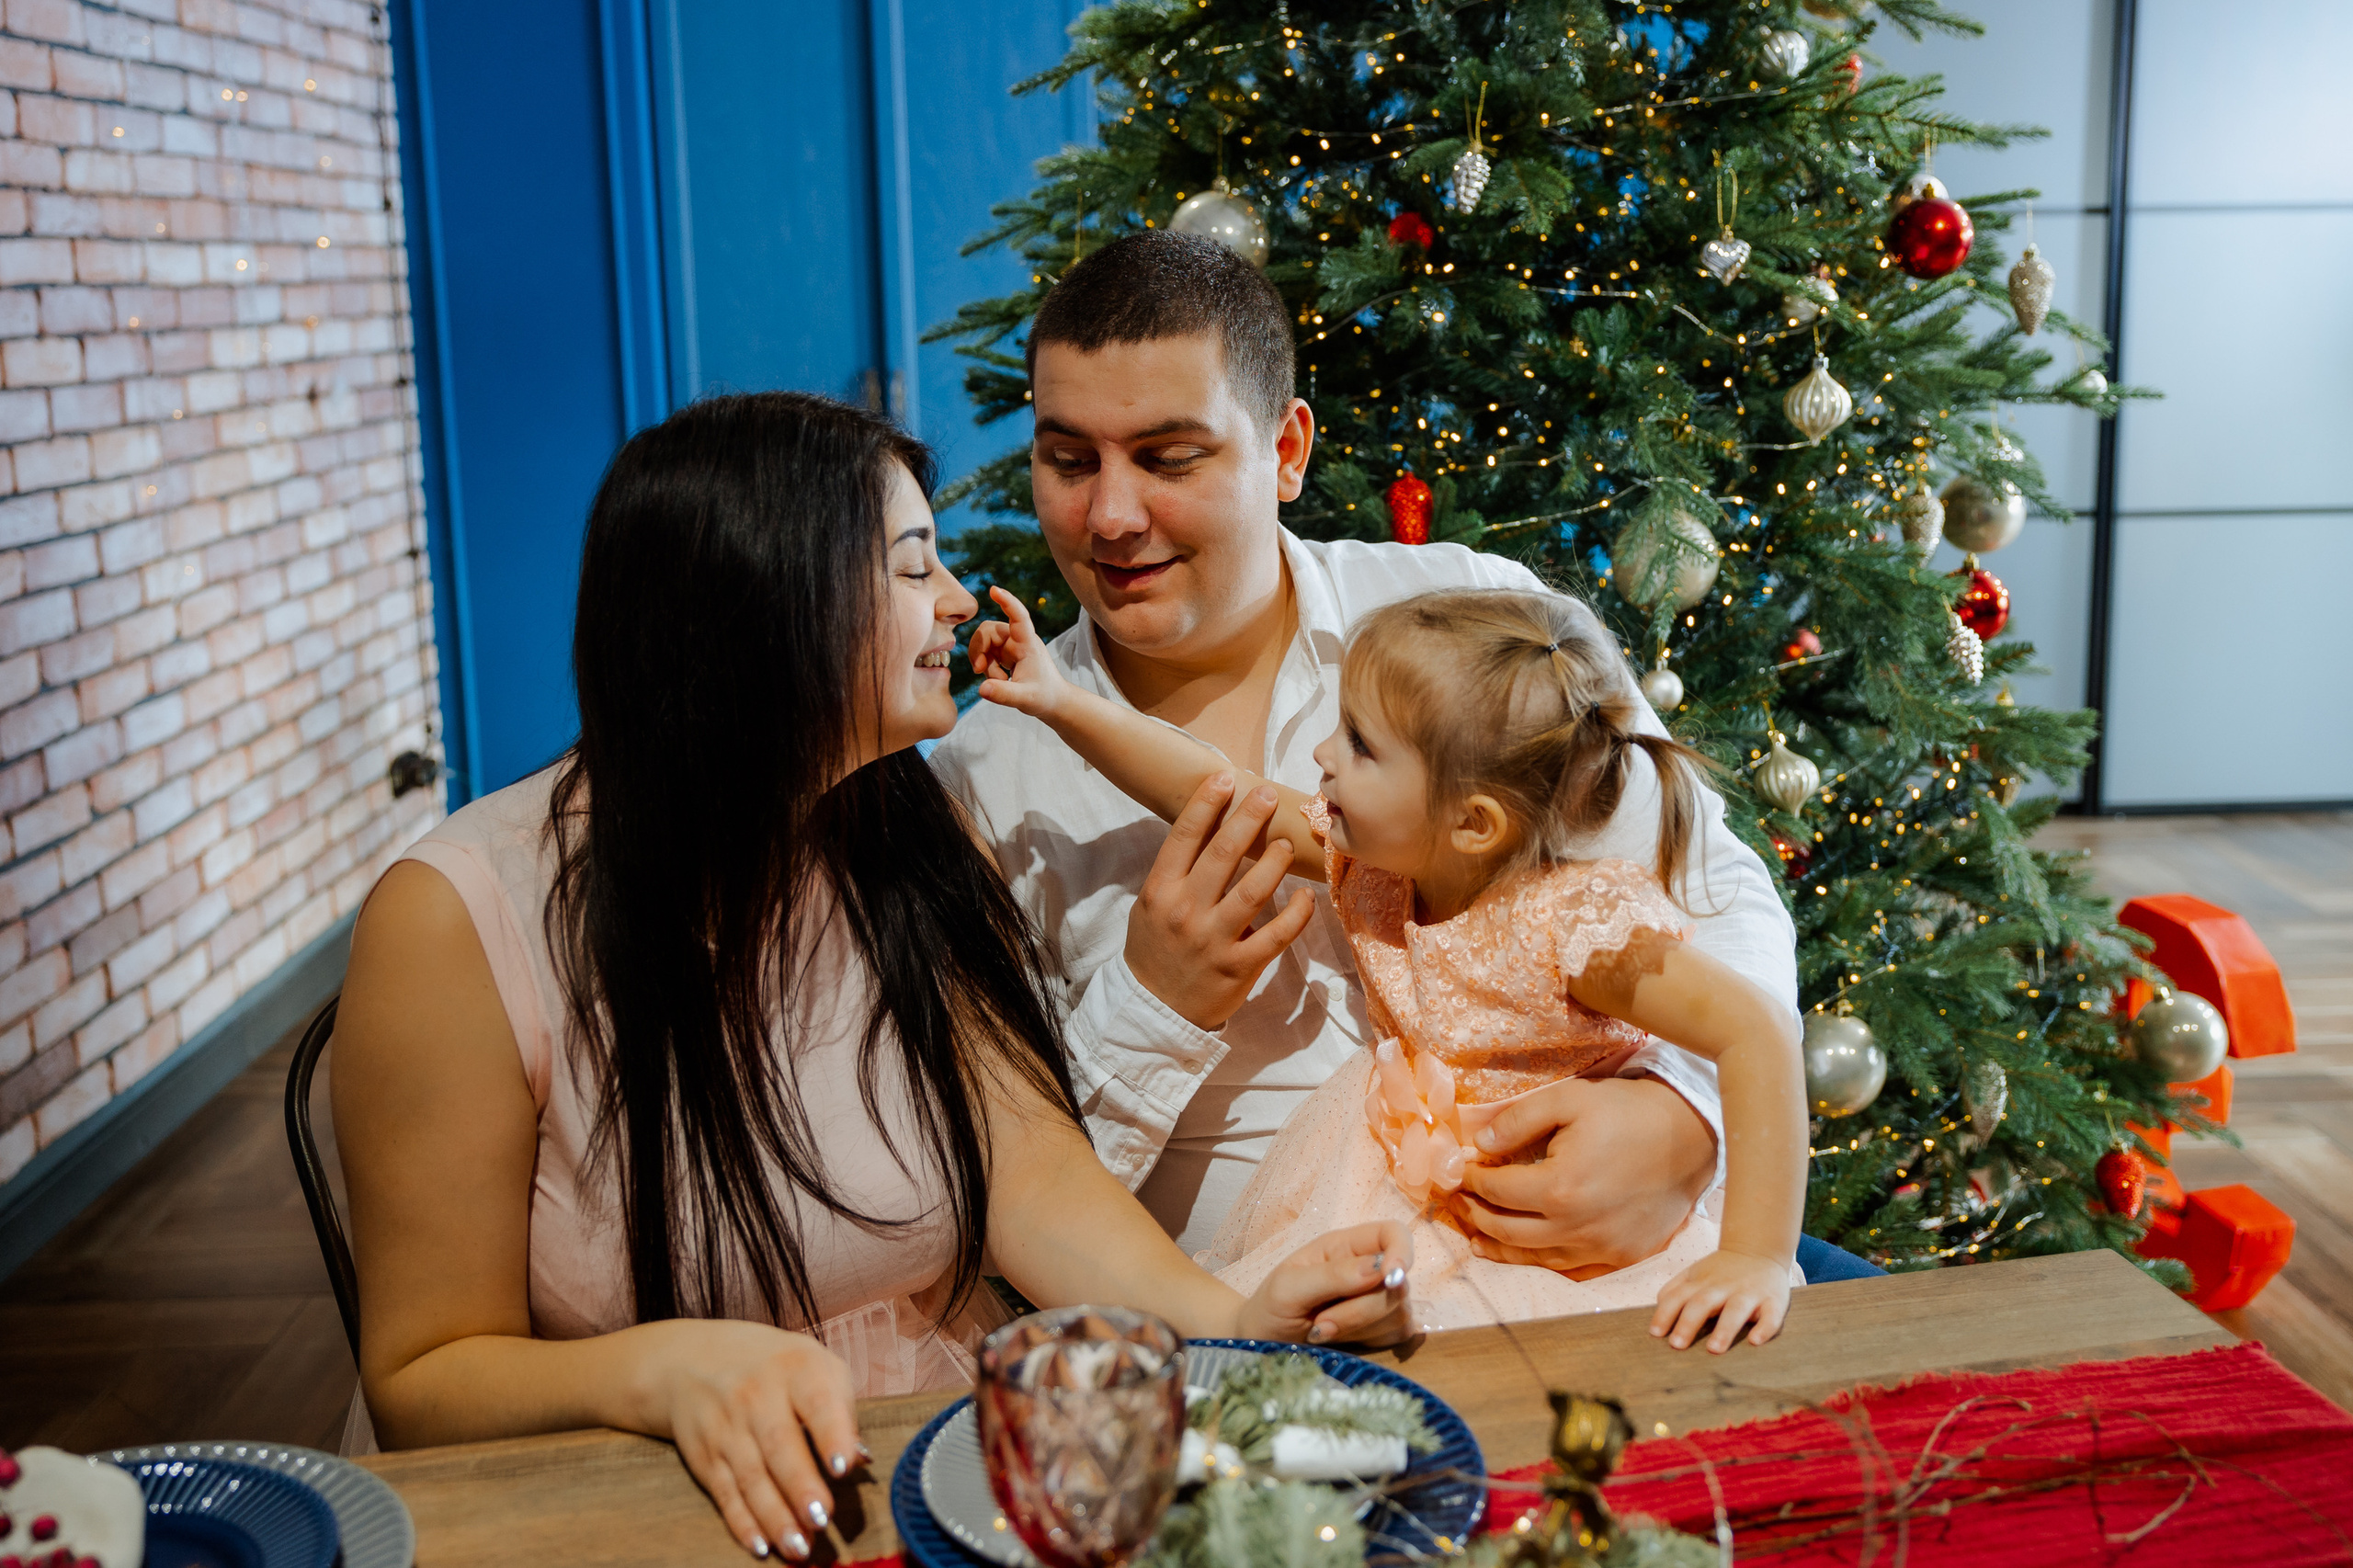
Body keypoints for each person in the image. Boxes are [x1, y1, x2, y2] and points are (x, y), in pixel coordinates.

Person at [331, 392, 1413, 1564]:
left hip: (921, 1464)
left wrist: (1233, 1320)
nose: (957, 599)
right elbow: (420, 1377)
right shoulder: (454, 916)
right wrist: (656, 1369)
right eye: (911, 565)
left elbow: (1030, 1176)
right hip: (628, 1509)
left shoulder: (900, 832)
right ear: (765, 594)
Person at [931, 230, 1809, 1286]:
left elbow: (1710, 893)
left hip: (1590, 1266)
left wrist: (1685, 1115)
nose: (1110, 517)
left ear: (1286, 449)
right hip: (1243, 1306)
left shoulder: (1482, 621)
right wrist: (1153, 1001)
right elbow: (992, 1196)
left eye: (1169, 457)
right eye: (1069, 461)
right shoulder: (983, 781)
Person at [971, 585, 1807, 1348]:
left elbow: (1757, 1030)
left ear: (1473, 823)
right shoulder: (1374, 866)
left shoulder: (1572, 926)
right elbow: (1219, 793)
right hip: (1385, 1196)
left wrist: (1757, 1255)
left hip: (1547, 1245)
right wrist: (1063, 703)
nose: (1322, 755)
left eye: (1361, 745)